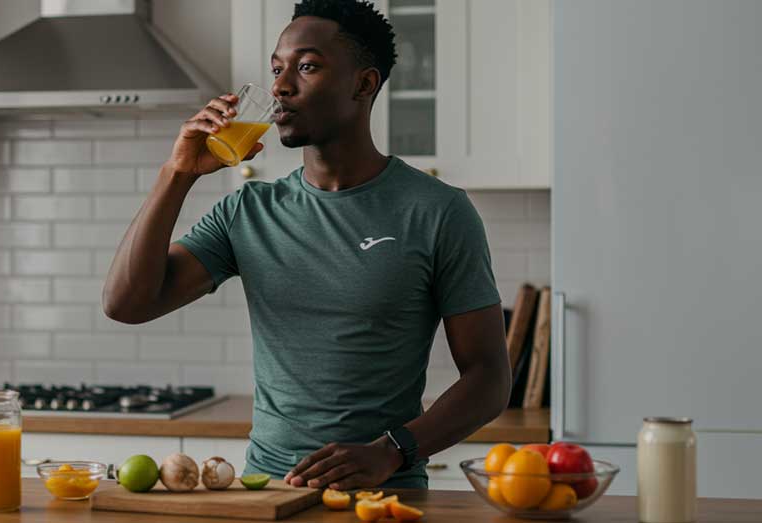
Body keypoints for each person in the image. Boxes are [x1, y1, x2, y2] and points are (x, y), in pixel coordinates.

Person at [103, 0, 510, 489]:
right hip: (266, 492)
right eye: (277, 69)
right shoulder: (248, 211)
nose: (280, 86)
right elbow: (127, 303)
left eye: (307, 66)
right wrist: (177, 175)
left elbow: (489, 378)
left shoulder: (438, 211)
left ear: (364, 84)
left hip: (382, 497)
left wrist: (392, 451)